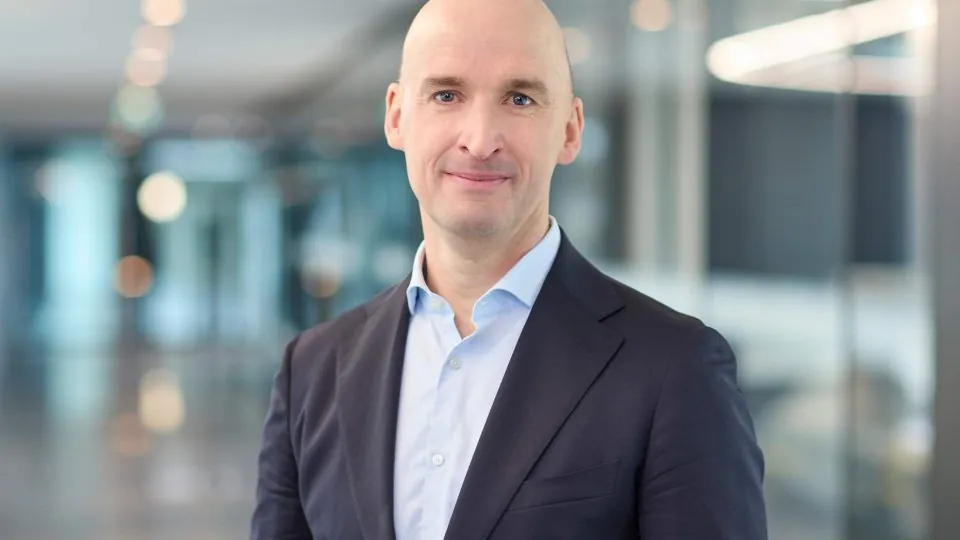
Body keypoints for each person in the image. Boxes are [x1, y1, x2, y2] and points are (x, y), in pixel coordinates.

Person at [250, 0, 767, 538]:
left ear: (569, 130)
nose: (479, 140)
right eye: (446, 95)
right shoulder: (312, 370)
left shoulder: (674, 369)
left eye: (520, 99)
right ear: (397, 116)